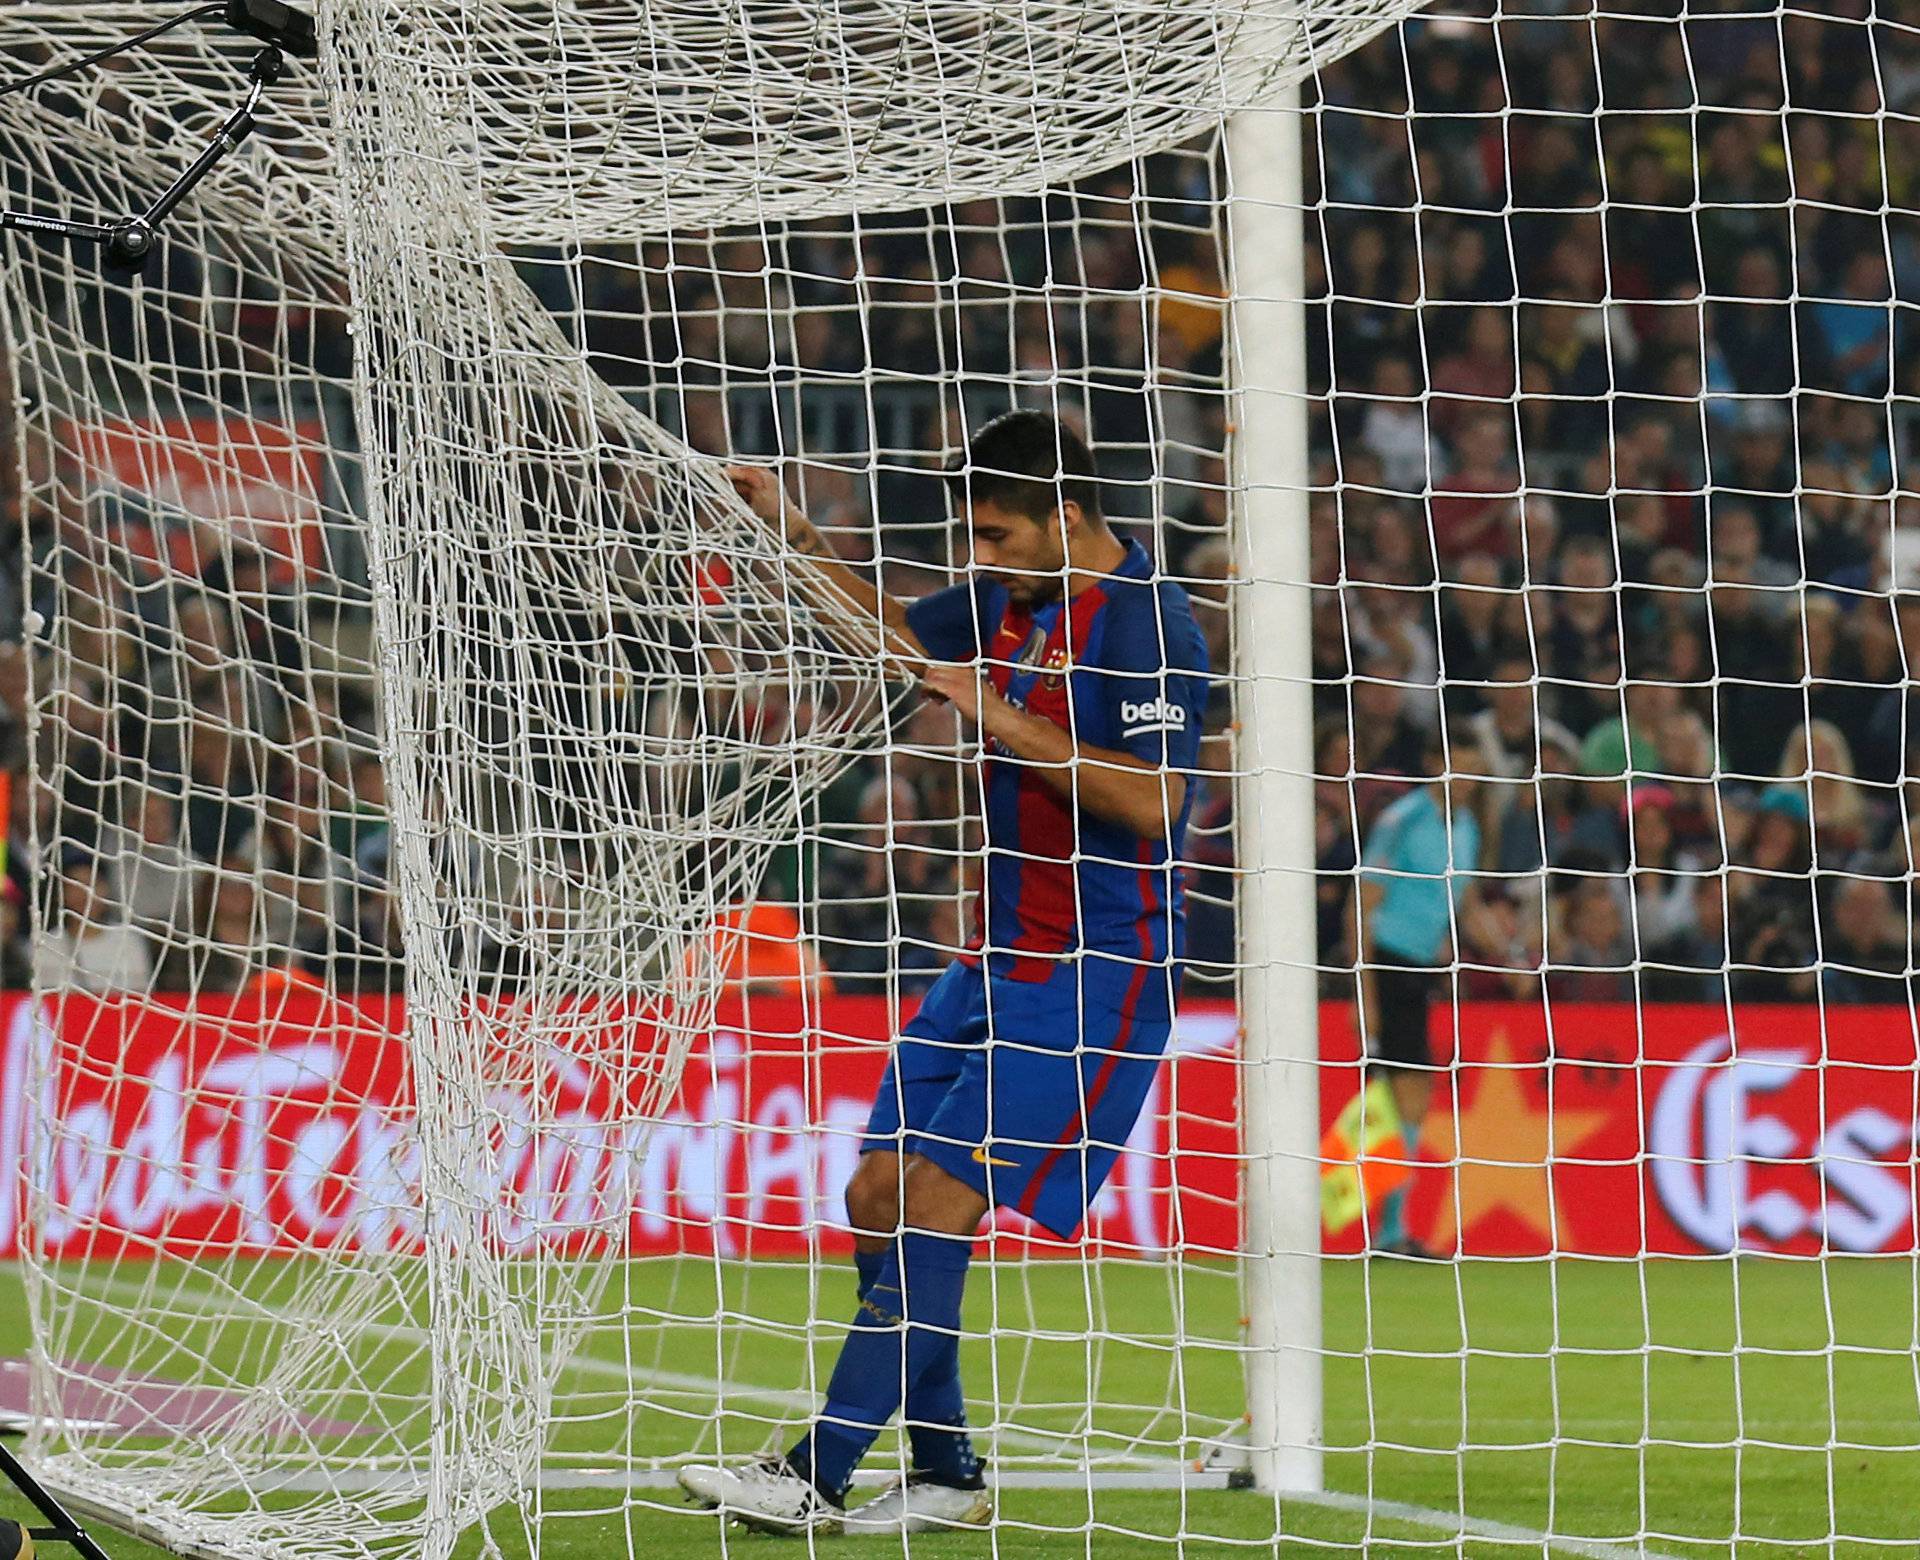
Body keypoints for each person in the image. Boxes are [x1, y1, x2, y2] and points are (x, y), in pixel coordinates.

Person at [677, 411, 1209, 1535]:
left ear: (1067, 517)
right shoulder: (1015, 602)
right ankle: (948, 1470)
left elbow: (1155, 801)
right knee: (874, 1194)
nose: (982, 557)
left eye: (999, 535)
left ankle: (815, 1469)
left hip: (1097, 968)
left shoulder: (1147, 623)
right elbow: (895, 644)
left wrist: (997, 712)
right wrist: (793, 537)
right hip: (991, 963)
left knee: (935, 1200)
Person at [1352, 730, 1485, 1257]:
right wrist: (1363, 991)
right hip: (1388, 963)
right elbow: (1363, 902)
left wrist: (1514, 953)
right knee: (1403, 1097)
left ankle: (1389, 1229)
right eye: (1459, 768)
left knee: (1406, 1099)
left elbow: (1460, 902)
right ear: (1434, 764)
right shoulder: (1402, 819)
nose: (1467, 782)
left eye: (1474, 772)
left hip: (1420, 969)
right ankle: (1388, 1233)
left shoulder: (1468, 826)